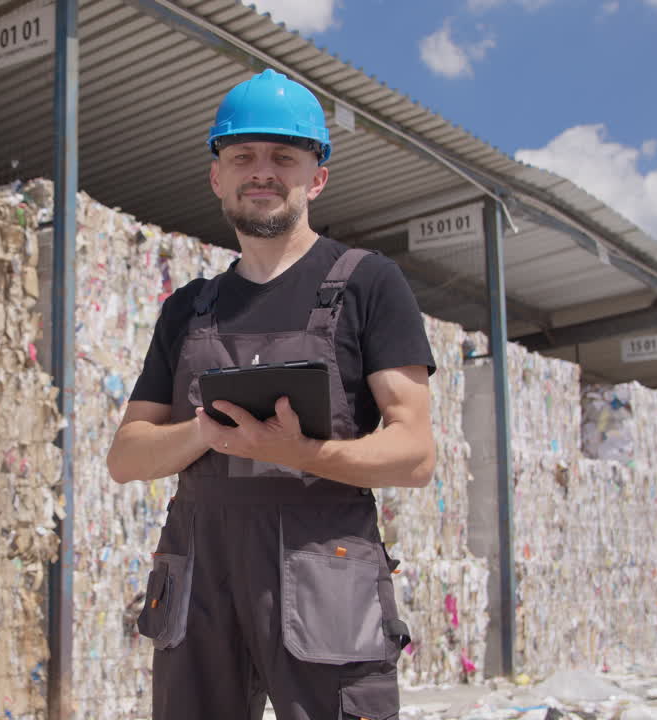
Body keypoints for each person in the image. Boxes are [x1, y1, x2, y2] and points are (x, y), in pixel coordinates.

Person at [106, 69, 437, 720]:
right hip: (201, 569)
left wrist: (299, 452)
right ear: (217, 177)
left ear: (317, 177)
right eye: (243, 157)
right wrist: (206, 430)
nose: (262, 171)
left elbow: (415, 454)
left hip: (324, 567)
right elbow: (126, 458)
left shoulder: (368, 285)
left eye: (284, 156)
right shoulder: (187, 309)